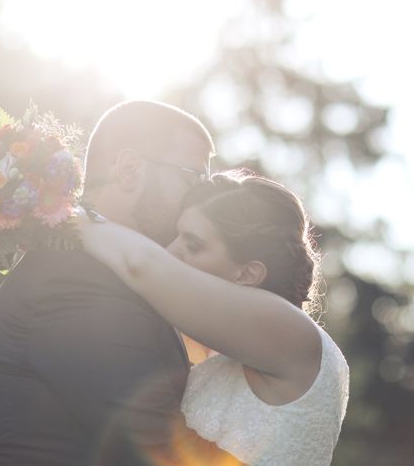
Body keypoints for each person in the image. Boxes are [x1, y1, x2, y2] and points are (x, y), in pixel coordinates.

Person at [0, 101, 244, 465]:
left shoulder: (104, 272)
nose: (200, 204)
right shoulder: (74, 280)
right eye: (192, 179)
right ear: (129, 169)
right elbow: (159, 448)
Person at [75, 170, 350, 466]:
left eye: (193, 244)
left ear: (248, 273)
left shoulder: (293, 332)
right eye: (176, 235)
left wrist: (57, 207)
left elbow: (142, 264)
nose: (170, 252)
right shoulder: (227, 357)